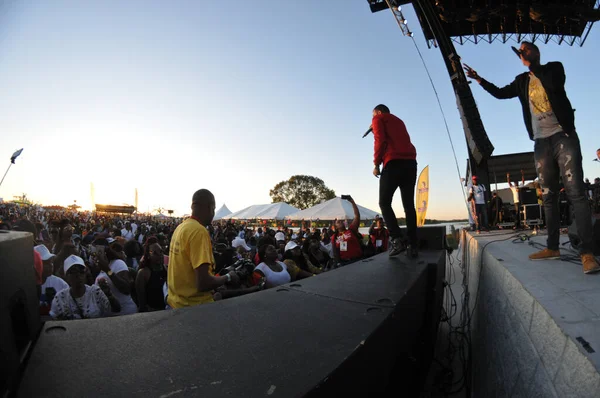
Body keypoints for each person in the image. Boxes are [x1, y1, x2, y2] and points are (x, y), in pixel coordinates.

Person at [464, 42, 600, 274]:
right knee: (548, 196)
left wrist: (533, 66)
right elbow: (500, 93)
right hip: (541, 142)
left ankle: (587, 253)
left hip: (563, 136)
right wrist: (479, 79)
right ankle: (552, 247)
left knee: (575, 192)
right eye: (521, 50)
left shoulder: (554, 68)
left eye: (526, 48)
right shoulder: (521, 81)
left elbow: (555, 86)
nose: (522, 51)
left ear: (536, 53)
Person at [167, 189, 239, 309]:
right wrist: (228, 277)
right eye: (214, 208)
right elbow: (203, 283)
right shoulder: (199, 231)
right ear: (210, 207)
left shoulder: (181, 227)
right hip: (195, 307)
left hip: (176, 303)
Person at [371, 104, 418, 258]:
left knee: (384, 203)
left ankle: (397, 239)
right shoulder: (399, 120)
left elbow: (380, 140)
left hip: (393, 162)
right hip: (410, 163)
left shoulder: (378, 118)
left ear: (378, 112)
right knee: (409, 205)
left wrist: (376, 164)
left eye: (373, 115)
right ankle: (413, 243)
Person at [50, 255, 120, 320]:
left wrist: (109, 295)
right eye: (73, 272)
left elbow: (116, 309)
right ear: (66, 276)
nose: (78, 275)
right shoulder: (60, 298)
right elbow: (53, 320)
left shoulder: (95, 292)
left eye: (81, 271)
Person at [94, 243, 138, 315]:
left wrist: (108, 270)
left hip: (126, 313)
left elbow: (126, 288)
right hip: (109, 316)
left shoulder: (118, 263)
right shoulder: (100, 270)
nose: (95, 257)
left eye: (97, 254)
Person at [34, 244, 69, 316]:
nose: (51, 265)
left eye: (51, 262)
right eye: (46, 263)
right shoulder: (26, 285)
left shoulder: (61, 284)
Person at [135, 237, 167, 312]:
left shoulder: (165, 268)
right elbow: (142, 304)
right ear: (148, 256)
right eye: (155, 253)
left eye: (161, 251)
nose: (160, 255)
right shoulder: (143, 273)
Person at [331, 196, 363, 265]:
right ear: (335, 227)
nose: (341, 222)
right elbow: (335, 252)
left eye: (341, 221)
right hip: (345, 263)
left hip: (357, 261)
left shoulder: (351, 230)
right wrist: (337, 263)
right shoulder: (335, 237)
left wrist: (352, 201)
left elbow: (357, 216)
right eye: (338, 222)